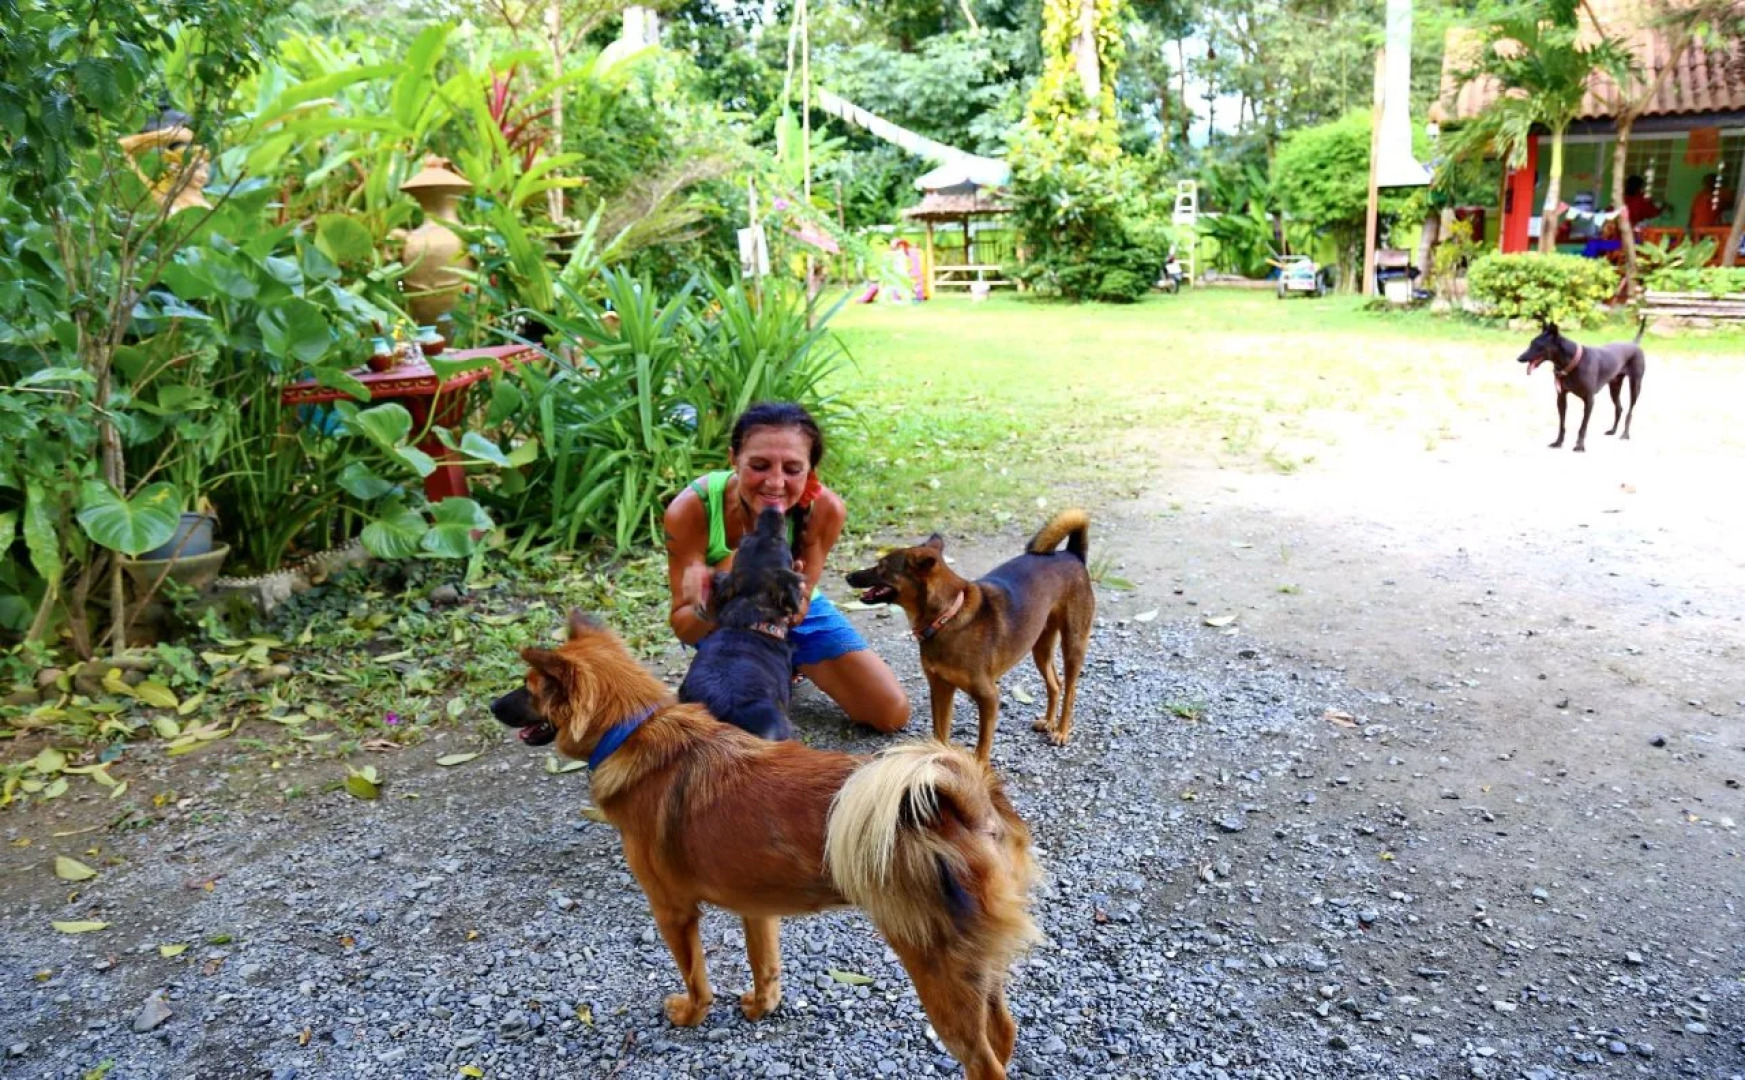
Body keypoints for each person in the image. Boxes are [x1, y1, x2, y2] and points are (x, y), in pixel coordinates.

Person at [664, 402, 910, 733]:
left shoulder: (825, 510)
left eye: (793, 469)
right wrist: (711, 598)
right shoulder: (692, 509)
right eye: (759, 465)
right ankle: (774, 667)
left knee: (889, 713)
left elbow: (798, 611)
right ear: (733, 458)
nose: (775, 483)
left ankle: (786, 663)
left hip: (782, 604)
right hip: (724, 619)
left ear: (811, 470)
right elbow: (684, 626)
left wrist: (775, 595)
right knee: (714, 731)